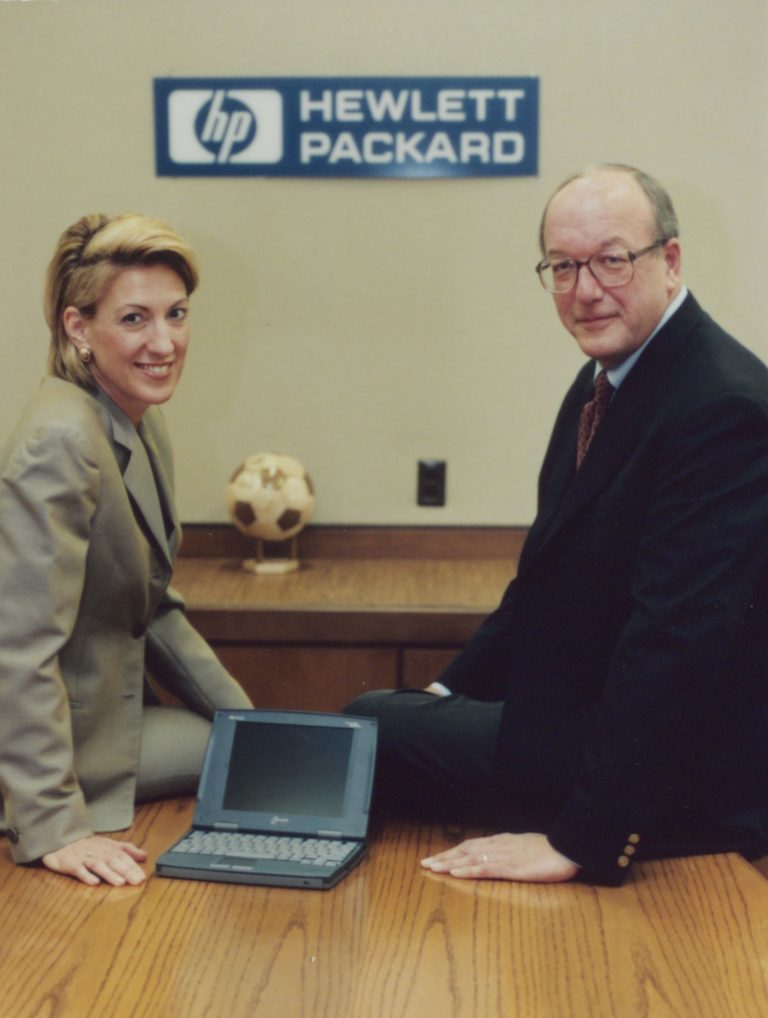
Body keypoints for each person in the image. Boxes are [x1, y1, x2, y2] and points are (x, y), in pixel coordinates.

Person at [345, 164, 768, 886]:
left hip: (680, 781)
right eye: (564, 267)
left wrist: (578, 843)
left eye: (611, 260)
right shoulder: (611, 373)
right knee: (382, 721)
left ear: (669, 261)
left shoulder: (720, 407)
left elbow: (675, 644)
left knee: (365, 734)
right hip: (583, 720)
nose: (585, 290)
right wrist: (446, 697)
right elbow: (542, 582)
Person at [0, 213, 253, 886]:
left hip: (109, 710)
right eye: (135, 319)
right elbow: (19, 650)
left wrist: (254, 725)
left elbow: (156, 607)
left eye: (176, 314)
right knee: (235, 759)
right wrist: (54, 826)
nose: (165, 342)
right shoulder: (60, 439)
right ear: (77, 328)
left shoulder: (135, 417)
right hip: (45, 750)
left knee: (251, 750)